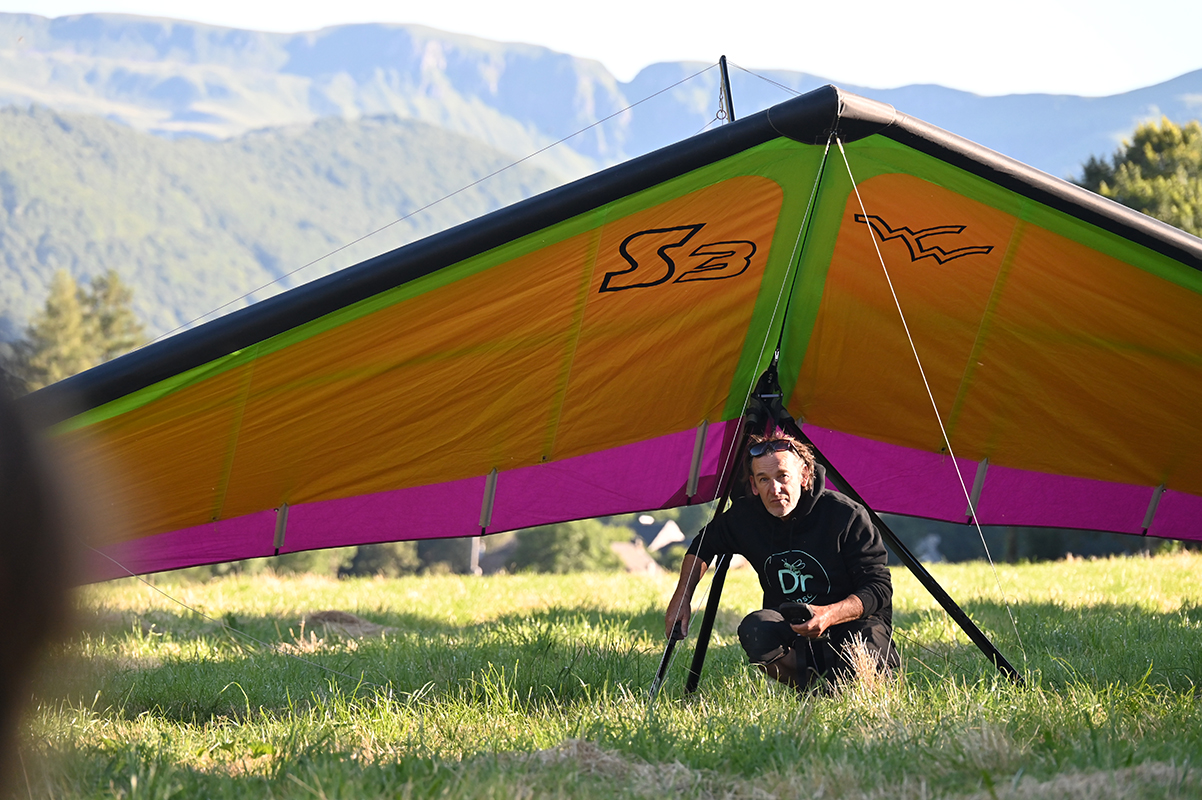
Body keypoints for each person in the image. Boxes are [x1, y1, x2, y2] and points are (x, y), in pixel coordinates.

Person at [665, 432, 898, 690]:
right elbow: (703, 544)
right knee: (756, 629)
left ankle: (848, 681)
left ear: (804, 475)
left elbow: (879, 587)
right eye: (764, 479)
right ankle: (813, 689)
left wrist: (828, 615)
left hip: (852, 624)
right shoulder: (747, 517)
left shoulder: (846, 515)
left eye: (783, 476)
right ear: (754, 485)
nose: (774, 489)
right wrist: (682, 596)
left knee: (864, 671)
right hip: (794, 627)